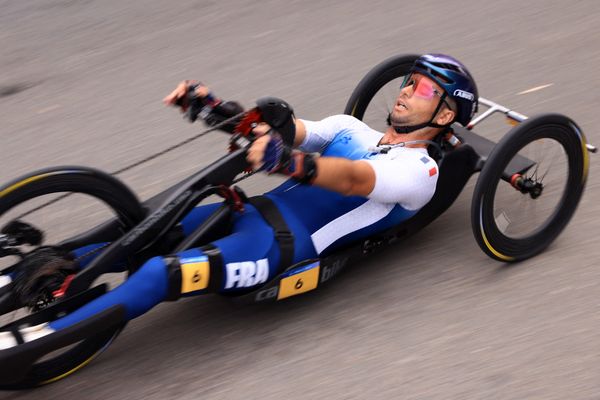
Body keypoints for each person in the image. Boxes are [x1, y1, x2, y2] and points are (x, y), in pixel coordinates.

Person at [1, 54, 478, 348]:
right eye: (408, 81)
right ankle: (12, 279)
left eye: (424, 89)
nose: (407, 91)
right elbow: (285, 134)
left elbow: (355, 179)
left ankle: (41, 336)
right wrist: (213, 107)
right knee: (136, 231)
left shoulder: (421, 173)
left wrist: (290, 162)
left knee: (158, 272)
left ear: (445, 112)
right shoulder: (352, 128)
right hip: (246, 212)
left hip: (277, 250)